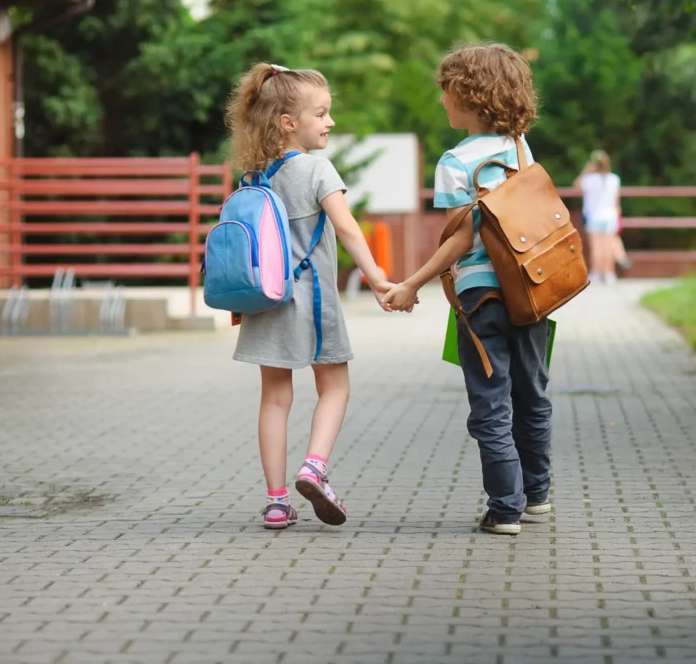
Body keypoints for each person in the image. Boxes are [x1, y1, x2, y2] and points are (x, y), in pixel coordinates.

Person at [381, 43, 552, 537]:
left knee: (491, 404)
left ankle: (505, 509)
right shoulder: (520, 148)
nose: (442, 100)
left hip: (480, 297)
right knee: (532, 393)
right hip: (531, 290)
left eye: (447, 91)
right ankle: (537, 496)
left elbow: (460, 239)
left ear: (471, 96)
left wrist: (411, 284)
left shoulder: (455, 162)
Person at [226, 63, 394, 530]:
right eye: (320, 114)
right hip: (315, 303)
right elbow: (347, 227)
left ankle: (276, 502)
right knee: (335, 386)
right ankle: (314, 468)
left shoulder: (254, 177)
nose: (330, 122)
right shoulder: (317, 169)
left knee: (274, 399)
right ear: (287, 122)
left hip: (265, 303)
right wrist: (377, 278)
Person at [577, 150, 622, 284]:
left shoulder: (589, 180)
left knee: (596, 247)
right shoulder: (614, 179)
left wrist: (585, 171)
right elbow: (616, 200)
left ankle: (596, 273)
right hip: (610, 215)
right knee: (608, 246)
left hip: (594, 216)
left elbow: (576, 186)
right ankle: (609, 273)